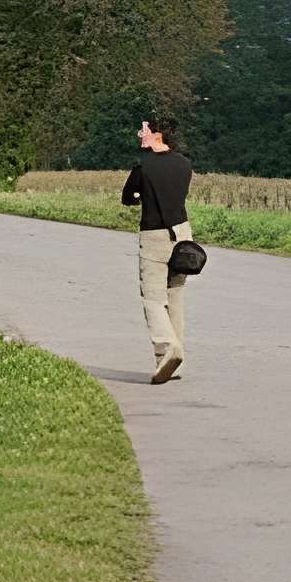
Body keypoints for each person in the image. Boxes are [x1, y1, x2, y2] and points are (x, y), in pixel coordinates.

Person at [121, 117, 196, 384]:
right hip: (183, 235)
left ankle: (168, 348)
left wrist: (140, 193)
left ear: (158, 135)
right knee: (175, 294)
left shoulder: (143, 165)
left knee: (153, 298)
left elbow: (127, 197)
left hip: (154, 235)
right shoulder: (185, 165)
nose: (141, 133)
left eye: (146, 130)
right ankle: (168, 359)